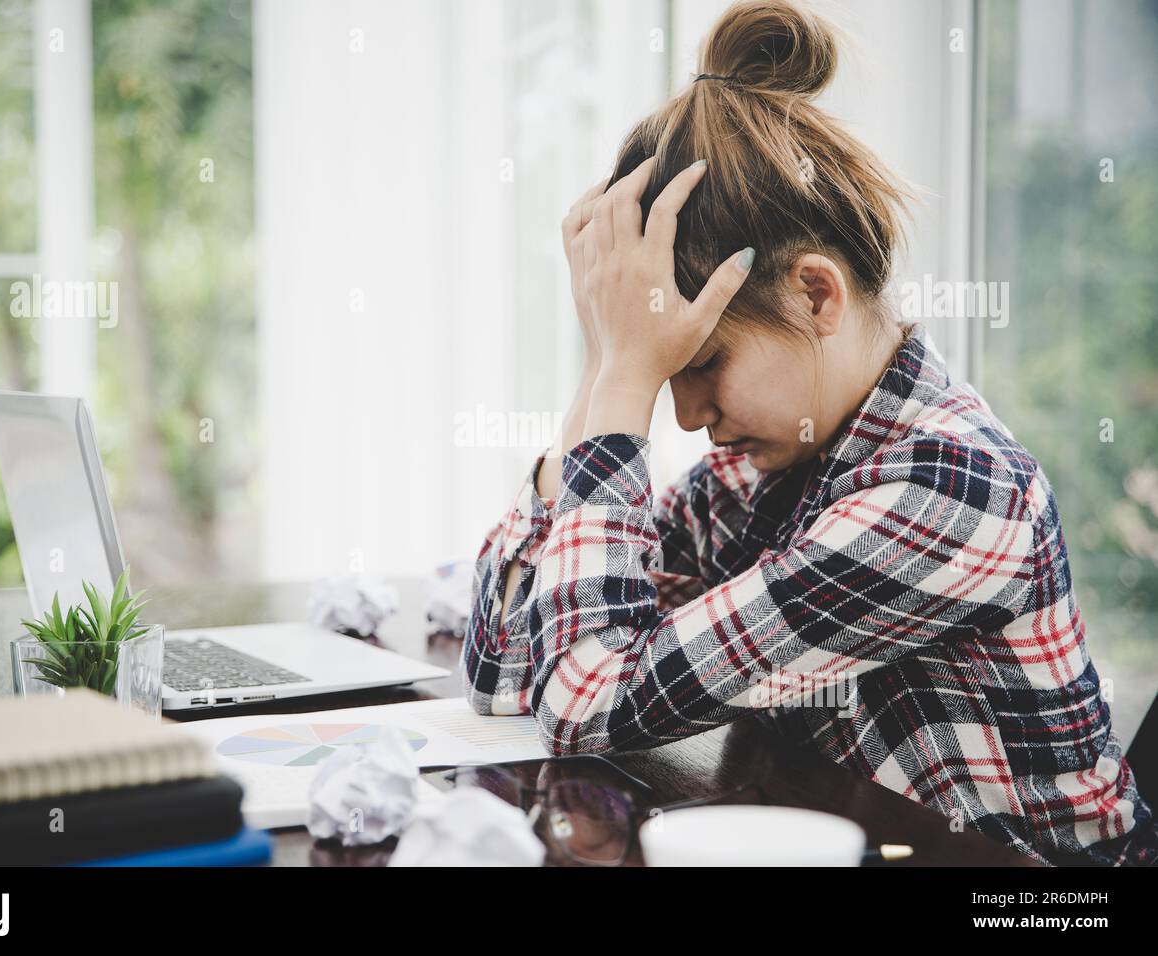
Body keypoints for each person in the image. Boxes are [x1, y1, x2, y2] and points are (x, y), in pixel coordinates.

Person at [460, 0, 1154, 866]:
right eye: (660, 374)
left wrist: (623, 383)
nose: (682, 414)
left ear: (815, 295)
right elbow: (504, 677)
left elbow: (586, 707)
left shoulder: (949, 488)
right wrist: (607, 366)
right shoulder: (755, 475)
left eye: (700, 361)